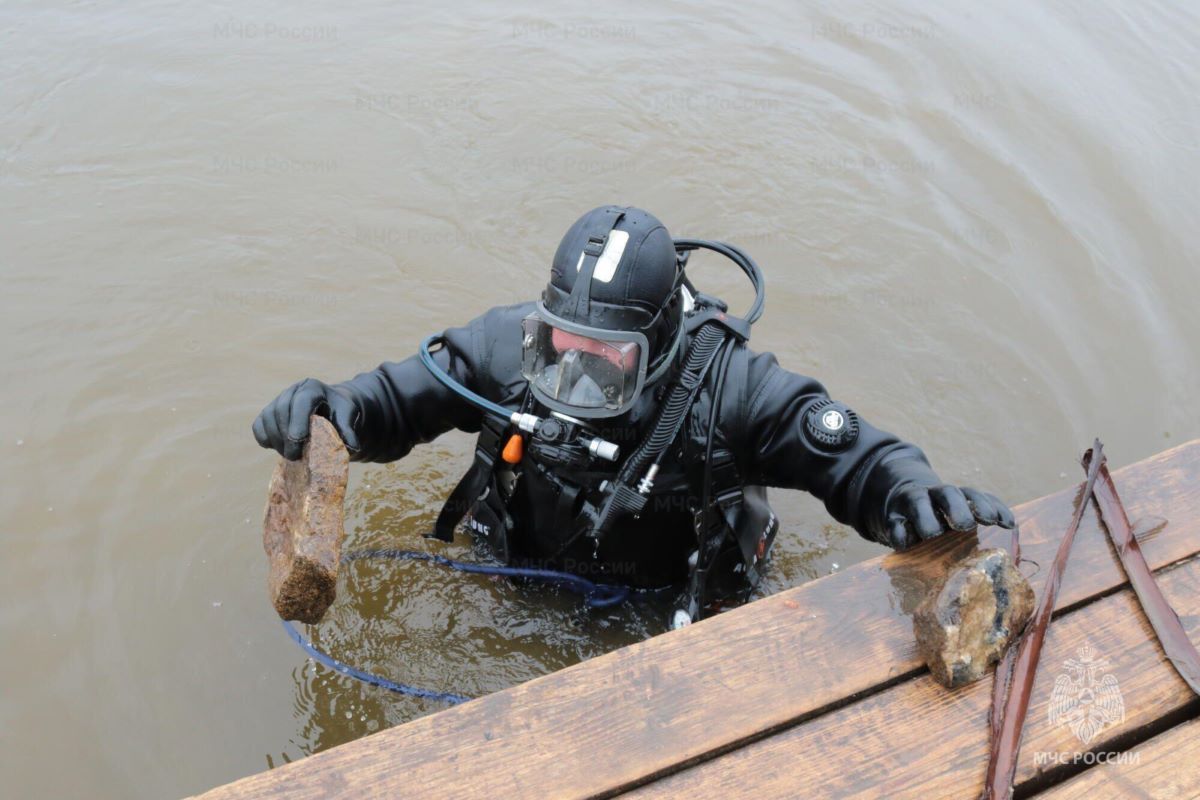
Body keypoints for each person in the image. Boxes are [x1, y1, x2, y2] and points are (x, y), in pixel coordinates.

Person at [253, 205, 1015, 627]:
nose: (573, 375)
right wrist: (333, 409)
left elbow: (857, 459)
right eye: (561, 348)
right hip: (516, 574)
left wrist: (911, 498)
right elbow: (393, 400)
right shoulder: (506, 347)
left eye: (606, 358)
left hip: (669, 605)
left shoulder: (734, 392)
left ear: (661, 342)